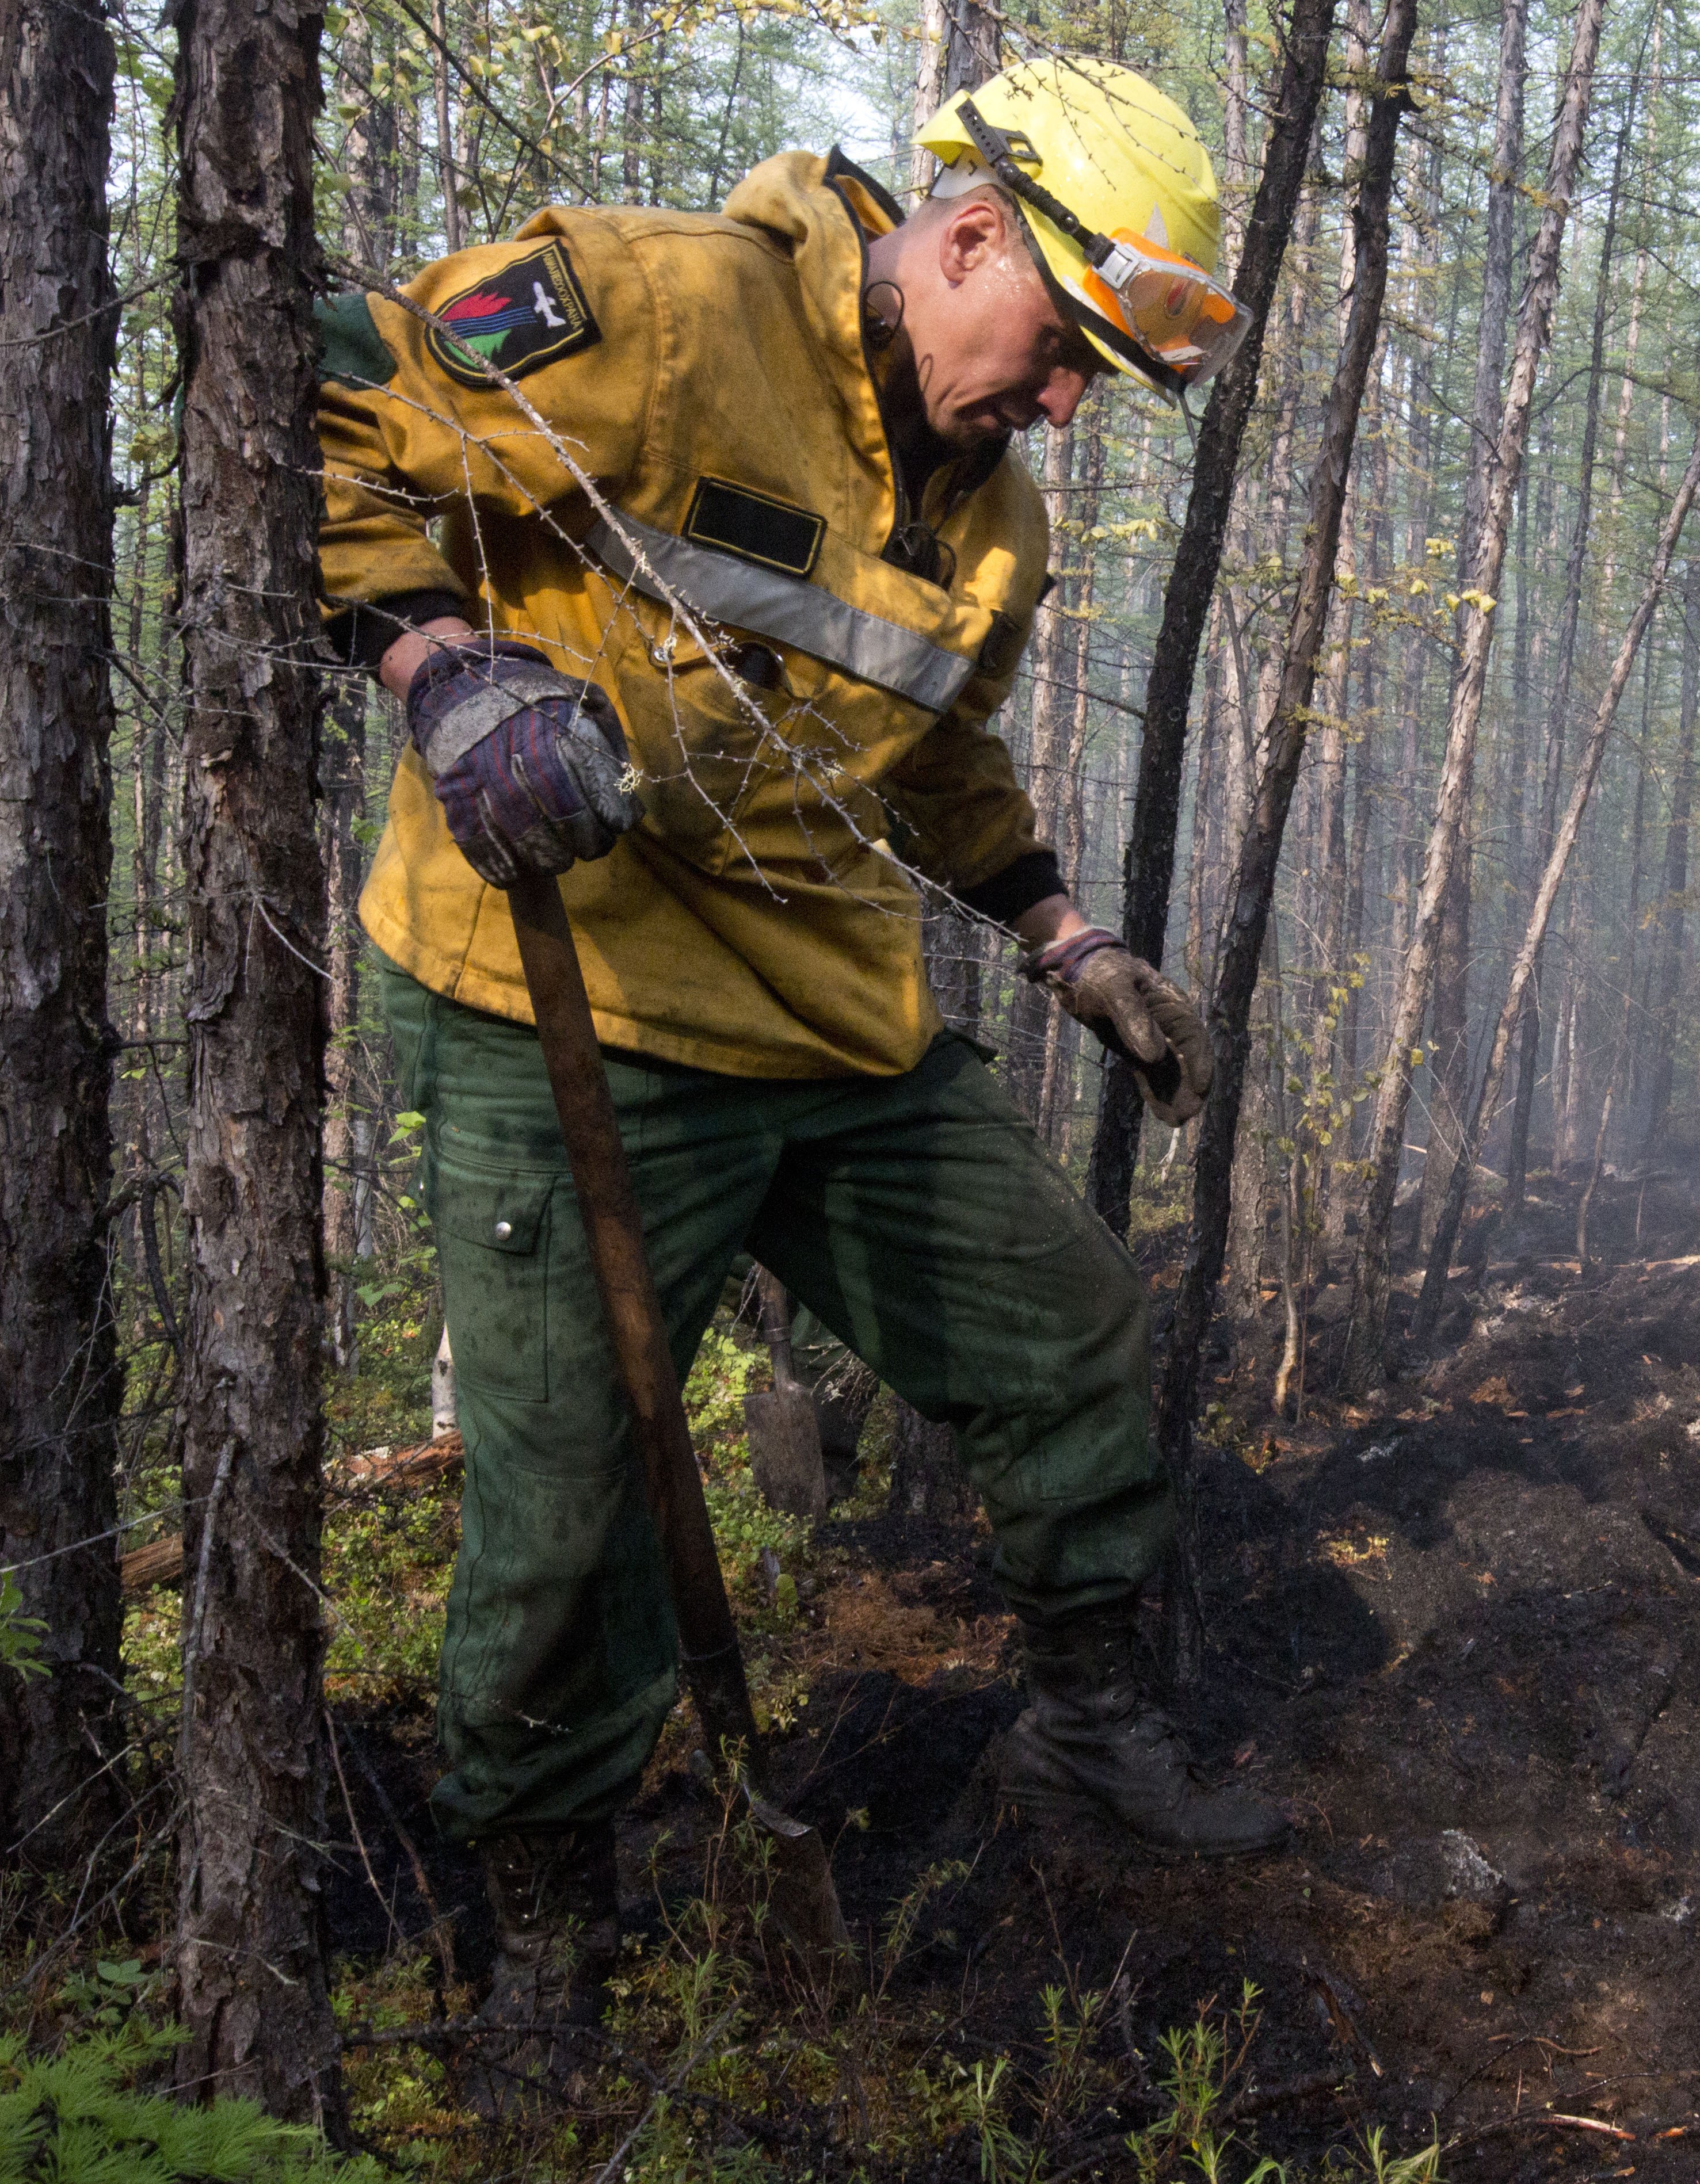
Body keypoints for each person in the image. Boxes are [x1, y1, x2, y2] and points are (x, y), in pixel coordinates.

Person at [312, 57, 1289, 2072]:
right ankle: (541, 1918)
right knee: (579, 1498)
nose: (1068, 404)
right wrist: (441, 669)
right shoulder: (657, 307)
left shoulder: (991, 517)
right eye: (1065, 348)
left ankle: (1082, 1735)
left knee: (1075, 1335)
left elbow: (933, 759)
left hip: (832, 1018)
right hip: (560, 995)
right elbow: (326, 397)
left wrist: (1068, 938)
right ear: (965, 238)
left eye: (1105, 377)